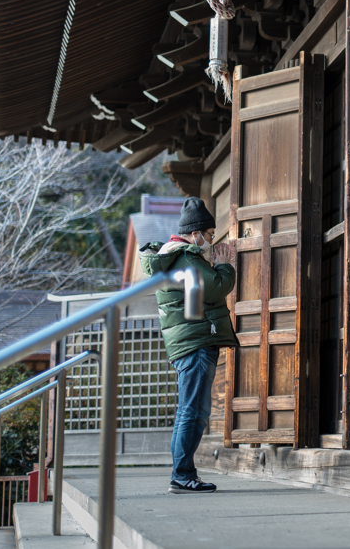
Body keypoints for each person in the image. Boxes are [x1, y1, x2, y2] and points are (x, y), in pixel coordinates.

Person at [139, 197, 239, 493]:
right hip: (195, 342)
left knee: (190, 409)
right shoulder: (185, 256)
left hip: (189, 341)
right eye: (209, 235)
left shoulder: (173, 254)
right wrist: (225, 265)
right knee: (193, 411)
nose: (210, 240)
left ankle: (183, 473)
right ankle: (182, 475)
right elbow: (215, 287)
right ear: (195, 232)